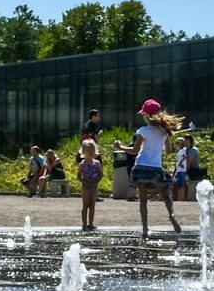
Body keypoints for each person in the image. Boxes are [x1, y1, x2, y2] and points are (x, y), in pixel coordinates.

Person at [114, 99, 184, 237]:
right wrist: (161, 148)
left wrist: (119, 146)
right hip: (155, 168)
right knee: (166, 196)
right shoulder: (164, 132)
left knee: (143, 201)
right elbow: (168, 151)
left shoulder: (143, 131)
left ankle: (145, 229)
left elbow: (134, 151)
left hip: (141, 167)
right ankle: (172, 215)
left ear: (146, 115)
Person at [77, 139, 103, 231]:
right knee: (85, 205)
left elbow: (101, 174)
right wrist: (85, 182)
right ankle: (84, 224)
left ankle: (91, 223)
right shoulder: (82, 164)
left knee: (92, 205)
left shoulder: (97, 163)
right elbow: (79, 176)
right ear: (84, 152)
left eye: (92, 150)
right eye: (89, 150)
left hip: (94, 186)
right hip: (85, 187)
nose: (91, 152)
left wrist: (96, 182)